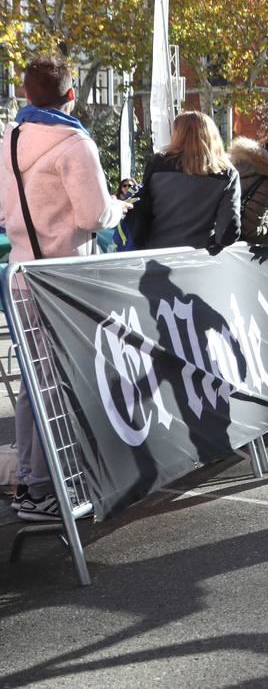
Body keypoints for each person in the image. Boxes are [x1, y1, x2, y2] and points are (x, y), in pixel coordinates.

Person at [0, 55, 131, 522]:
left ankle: (31, 479)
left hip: (20, 272)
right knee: (57, 381)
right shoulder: (75, 143)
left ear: (26, 94)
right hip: (64, 275)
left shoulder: (11, 138)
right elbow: (93, 217)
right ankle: (42, 485)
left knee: (36, 378)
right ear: (71, 95)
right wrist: (119, 206)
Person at [139, 111, 241, 252]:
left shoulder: (157, 164)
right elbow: (228, 232)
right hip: (197, 259)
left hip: (153, 255)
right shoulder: (227, 175)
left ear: (177, 135)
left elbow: (142, 209)